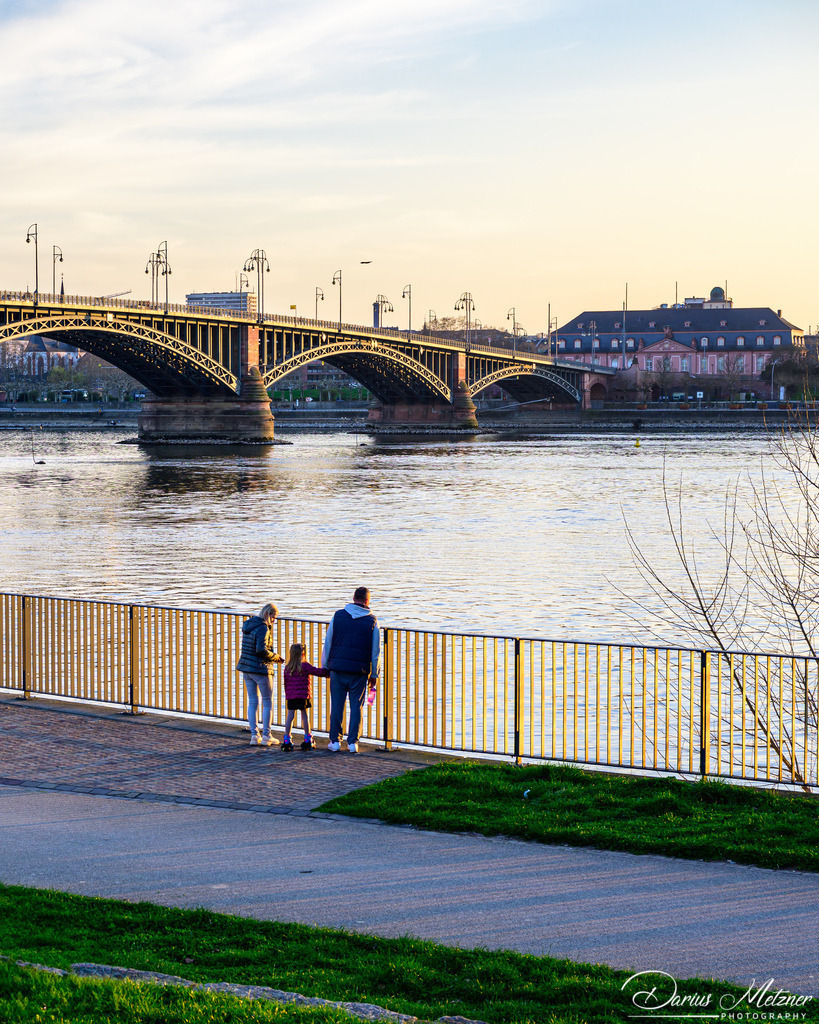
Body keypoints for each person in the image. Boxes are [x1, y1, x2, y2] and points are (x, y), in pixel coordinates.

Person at [322, 586, 379, 754]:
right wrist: (374, 673)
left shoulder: (338, 615)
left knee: (337, 705)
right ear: (367, 601)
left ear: (353, 598)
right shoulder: (373, 621)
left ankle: (335, 741)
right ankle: (353, 743)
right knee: (357, 707)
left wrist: (325, 665)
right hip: (359, 671)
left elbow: (328, 642)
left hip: (337, 669)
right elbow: (376, 651)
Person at [235, 602, 283, 746]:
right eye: (274, 618)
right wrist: (276, 657)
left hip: (246, 668)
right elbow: (260, 650)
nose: (274, 621)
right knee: (267, 701)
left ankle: (254, 735)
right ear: (268, 614)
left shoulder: (249, 625)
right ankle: (267, 735)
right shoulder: (263, 628)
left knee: (252, 701)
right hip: (260, 669)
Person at [281, 642, 330, 751]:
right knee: (304, 716)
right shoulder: (305, 665)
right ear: (302, 654)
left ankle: (286, 738)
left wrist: (288, 695)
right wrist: (327, 671)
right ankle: (308, 738)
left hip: (291, 696)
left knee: (290, 716)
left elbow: (285, 683)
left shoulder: (287, 668)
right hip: (303, 695)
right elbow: (317, 672)